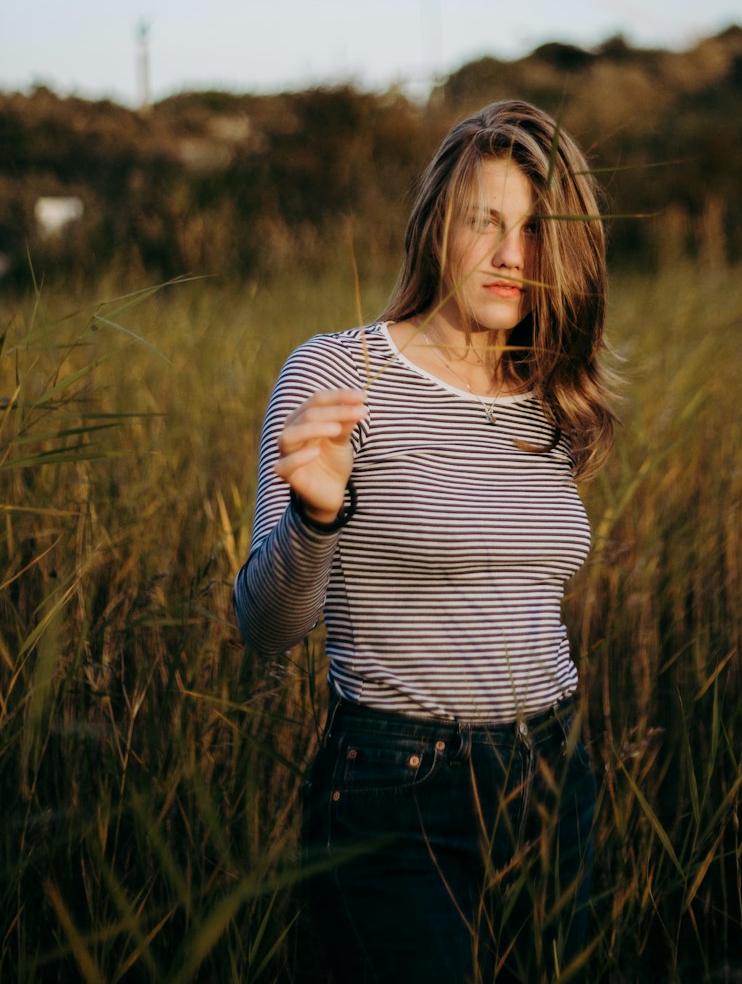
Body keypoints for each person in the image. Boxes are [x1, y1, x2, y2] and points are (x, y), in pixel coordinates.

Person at [233, 100, 617, 983]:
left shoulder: (553, 392)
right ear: (437, 225)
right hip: (398, 788)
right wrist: (314, 518)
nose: (513, 255)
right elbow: (264, 628)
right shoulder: (340, 371)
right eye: (487, 221)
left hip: (555, 776)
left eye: (534, 229)